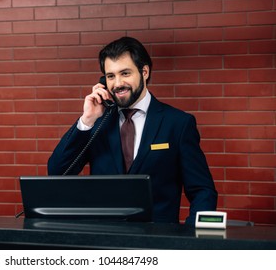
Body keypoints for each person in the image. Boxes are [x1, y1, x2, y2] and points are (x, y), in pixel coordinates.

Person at [47, 36, 217, 225]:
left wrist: (192, 238)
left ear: (144, 72)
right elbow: (57, 172)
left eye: (125, 73)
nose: (117, 83)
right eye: (111, 76)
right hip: (104, 239)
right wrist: (87, 120)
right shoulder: (97, 123)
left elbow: (202, 190)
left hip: (158, 240)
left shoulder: (178, 123)